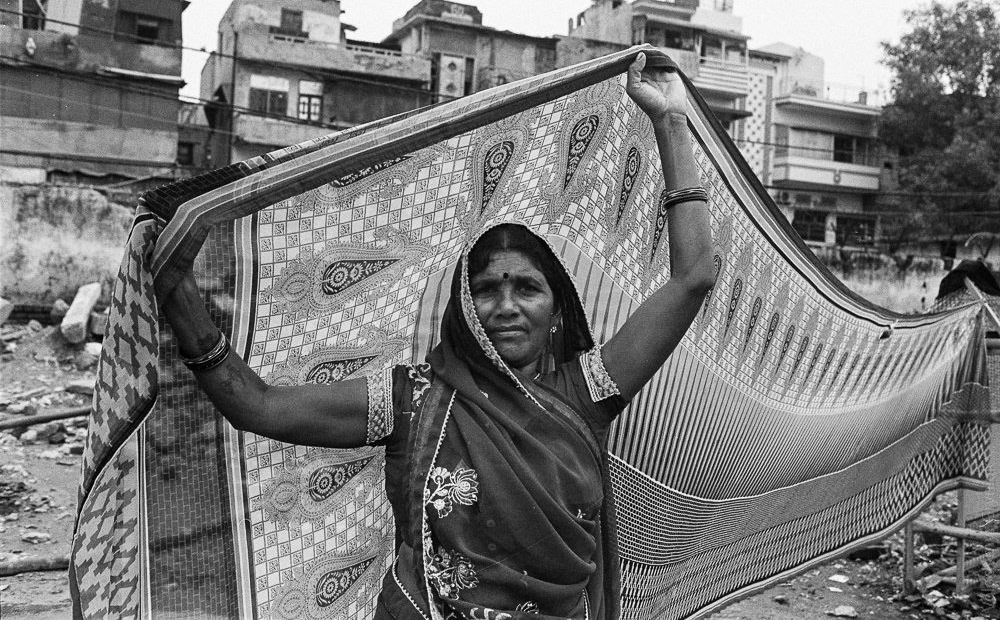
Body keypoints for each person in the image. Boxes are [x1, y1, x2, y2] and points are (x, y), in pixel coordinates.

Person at [159, 51, 715, 620]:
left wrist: (670, 123)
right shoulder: (410, 401)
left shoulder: (586, 394)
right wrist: (179, 298)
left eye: (527, 288)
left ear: (556, 312)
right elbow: (258, 406)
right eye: (485, 289)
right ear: (461, 305)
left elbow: (694, 278)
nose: (505, 307)